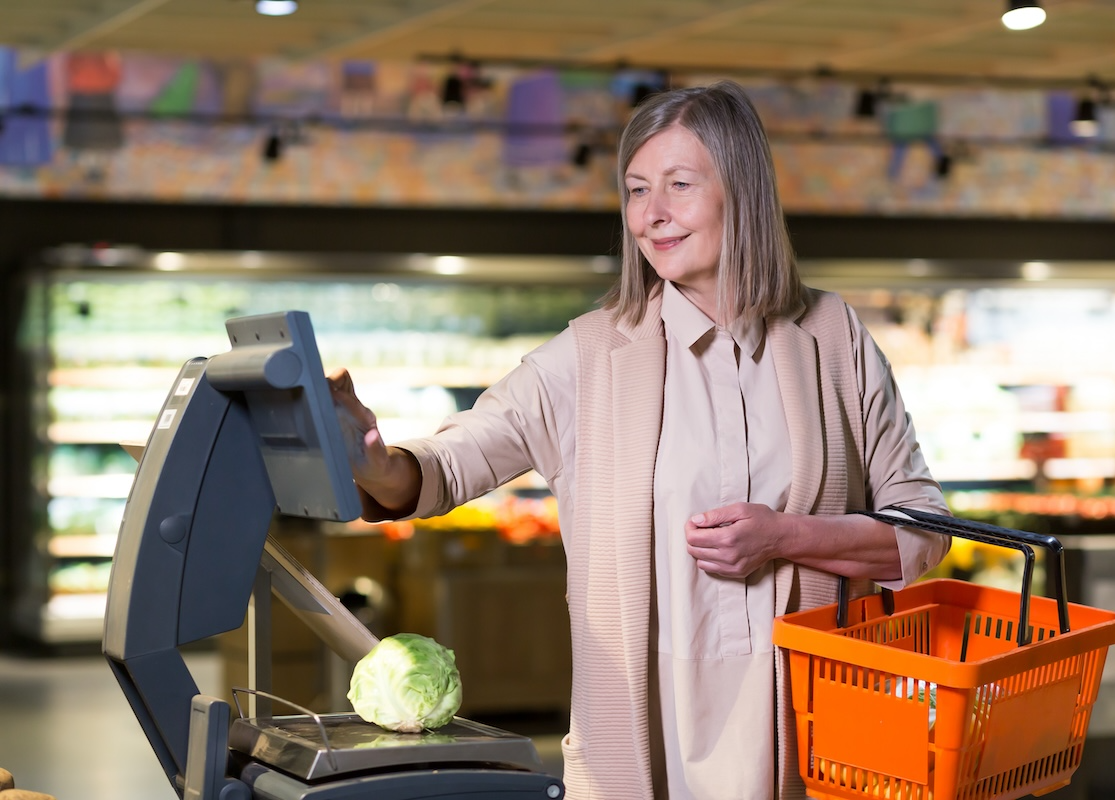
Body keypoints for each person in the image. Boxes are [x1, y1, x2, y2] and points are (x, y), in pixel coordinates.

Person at [328, 79, 950, 800]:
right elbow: (447, 465)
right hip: (648, 751)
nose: (651, 216)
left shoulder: (832, 338)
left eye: (678, 185)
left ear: (741, 192)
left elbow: (923, 531)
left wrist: (786, 536)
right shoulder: (592, 357)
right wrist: (372, 459)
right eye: (634, 191)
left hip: (814, 741)